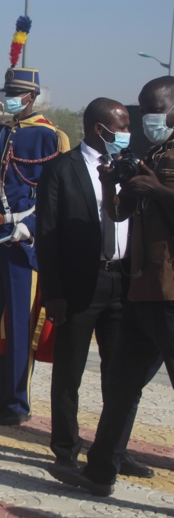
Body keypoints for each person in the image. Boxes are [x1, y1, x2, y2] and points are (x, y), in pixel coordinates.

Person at [48, 75, 174, 496]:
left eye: (152, 109)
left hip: (167, 293)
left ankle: (104, 465)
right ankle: (100, 470)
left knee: (124, 383)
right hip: (141, 290)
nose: (145, 120)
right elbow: (120, 215)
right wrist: (110, 184)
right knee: (120, 383)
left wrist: (159, 190)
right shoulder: (152, 155)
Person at [37, 97, 151, 478]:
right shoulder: (61, 169)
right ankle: (66, 448)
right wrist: (53, 293)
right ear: (99, 129)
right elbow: (48, 234)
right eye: (121, 128)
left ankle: (112, 450)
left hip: (123, 281)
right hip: (79, 284)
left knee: (121, 376)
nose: (127, 134)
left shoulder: (131, 165)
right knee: (69, 372)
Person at [0, 65, 62, 425]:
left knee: (19, 326)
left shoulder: (48, 136)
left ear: (31, 97)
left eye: (15, 93)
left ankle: (18, 404)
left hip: (22, 242)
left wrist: (31, 226)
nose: (9, 98)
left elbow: (55, 196)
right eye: (6, 92)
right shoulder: (1, 133)